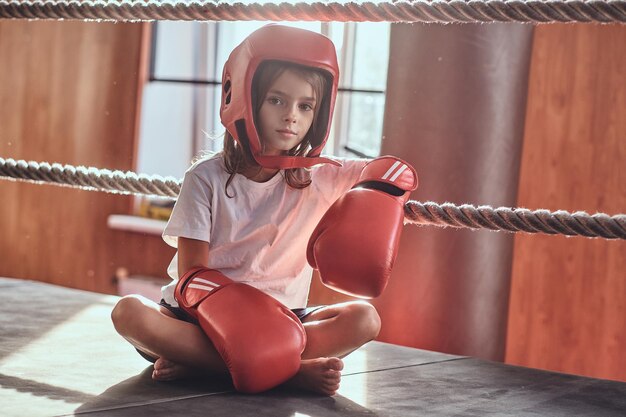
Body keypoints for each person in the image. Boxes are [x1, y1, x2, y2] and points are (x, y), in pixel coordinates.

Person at [111, 24, 382, 396]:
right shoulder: (205, 176)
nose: (291, 116)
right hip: (198, 320)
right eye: (276, 100)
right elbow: (192, 276)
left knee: (364, 318)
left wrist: (390, 190)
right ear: (243, 98)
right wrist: (240, 334)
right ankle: (286, 373)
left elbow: (385, 172)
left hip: (280, 323)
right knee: (129, 313)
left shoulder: (321, 177)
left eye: (305, 106)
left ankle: (208, 369)